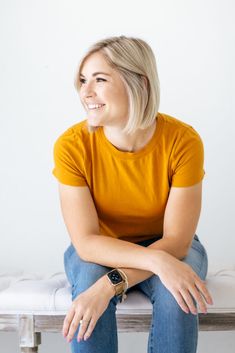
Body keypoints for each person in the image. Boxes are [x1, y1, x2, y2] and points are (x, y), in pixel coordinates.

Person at [52, 35, 213, 353]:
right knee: (88, 285)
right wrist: (152, 264)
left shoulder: (183, 141)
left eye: (99, 79)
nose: (86, 92)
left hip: (169, 244)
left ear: (138, 82)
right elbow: (86, 242)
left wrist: (112, 283)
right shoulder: (71, 146)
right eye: (83, 80)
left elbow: (177, 241)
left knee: (176, 295)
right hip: (100, 249)